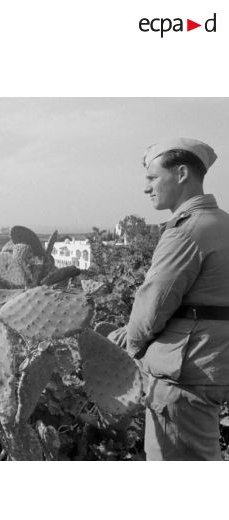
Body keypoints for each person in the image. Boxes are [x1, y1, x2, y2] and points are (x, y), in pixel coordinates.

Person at [109, 137, 229, 460]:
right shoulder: (223, 224)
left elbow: (153, 306)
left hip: (182, 378)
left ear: (180, 174)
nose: (146, 188)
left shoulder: (187, 231)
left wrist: (130, 347)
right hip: (213, 367)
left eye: (152, 178)